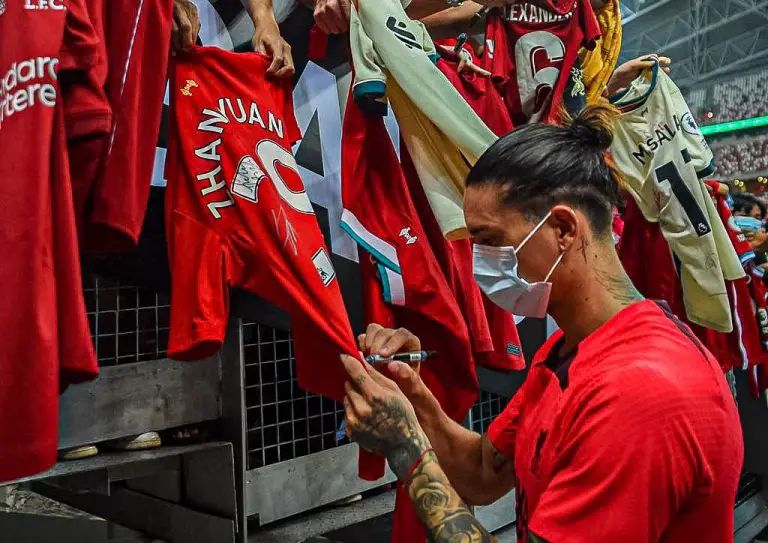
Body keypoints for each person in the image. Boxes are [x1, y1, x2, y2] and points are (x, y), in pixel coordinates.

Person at [340, 103, 744, 542]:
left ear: (564, 229)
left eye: (492, 241)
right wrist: (411, 396)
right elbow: (481, 472)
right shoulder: (570, 351)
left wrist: (408, 451)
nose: (480, 265)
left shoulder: (639, 393)